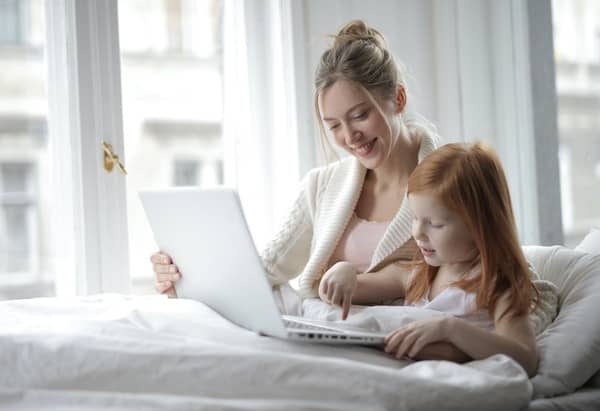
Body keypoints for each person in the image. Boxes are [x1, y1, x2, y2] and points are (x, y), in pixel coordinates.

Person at [152, 21, 439, 324]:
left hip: (403, 333)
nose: (350, 136)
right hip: (331, 330)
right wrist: (186, 280)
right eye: (334, 126)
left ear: (399, 99)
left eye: (359, 116)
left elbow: (465, 278)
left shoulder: (455, 179)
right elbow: (265, 271)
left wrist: (360, 281)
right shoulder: (322, 185)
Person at [372, 142, 539, 376]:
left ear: (479, 226)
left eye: (435, 223)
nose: (417, 233)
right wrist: (343, 272)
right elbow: (356, 288)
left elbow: (525, 358)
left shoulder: (495, 283)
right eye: (414, 218)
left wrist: (450, 328)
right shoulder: (418, 273)